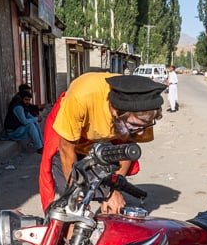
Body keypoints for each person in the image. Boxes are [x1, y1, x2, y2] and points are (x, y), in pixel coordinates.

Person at [38, 73, 165, 214]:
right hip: (69, 128)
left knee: (113, 202)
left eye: (144, 127)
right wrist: (75, 194)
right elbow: (66, 150)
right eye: (134, 126)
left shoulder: (142, 107)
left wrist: (114, 189)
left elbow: (127, 150)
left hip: (102, 132)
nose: (140, 133)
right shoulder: (81, 97)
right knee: (71, 206)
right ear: (115, 111)